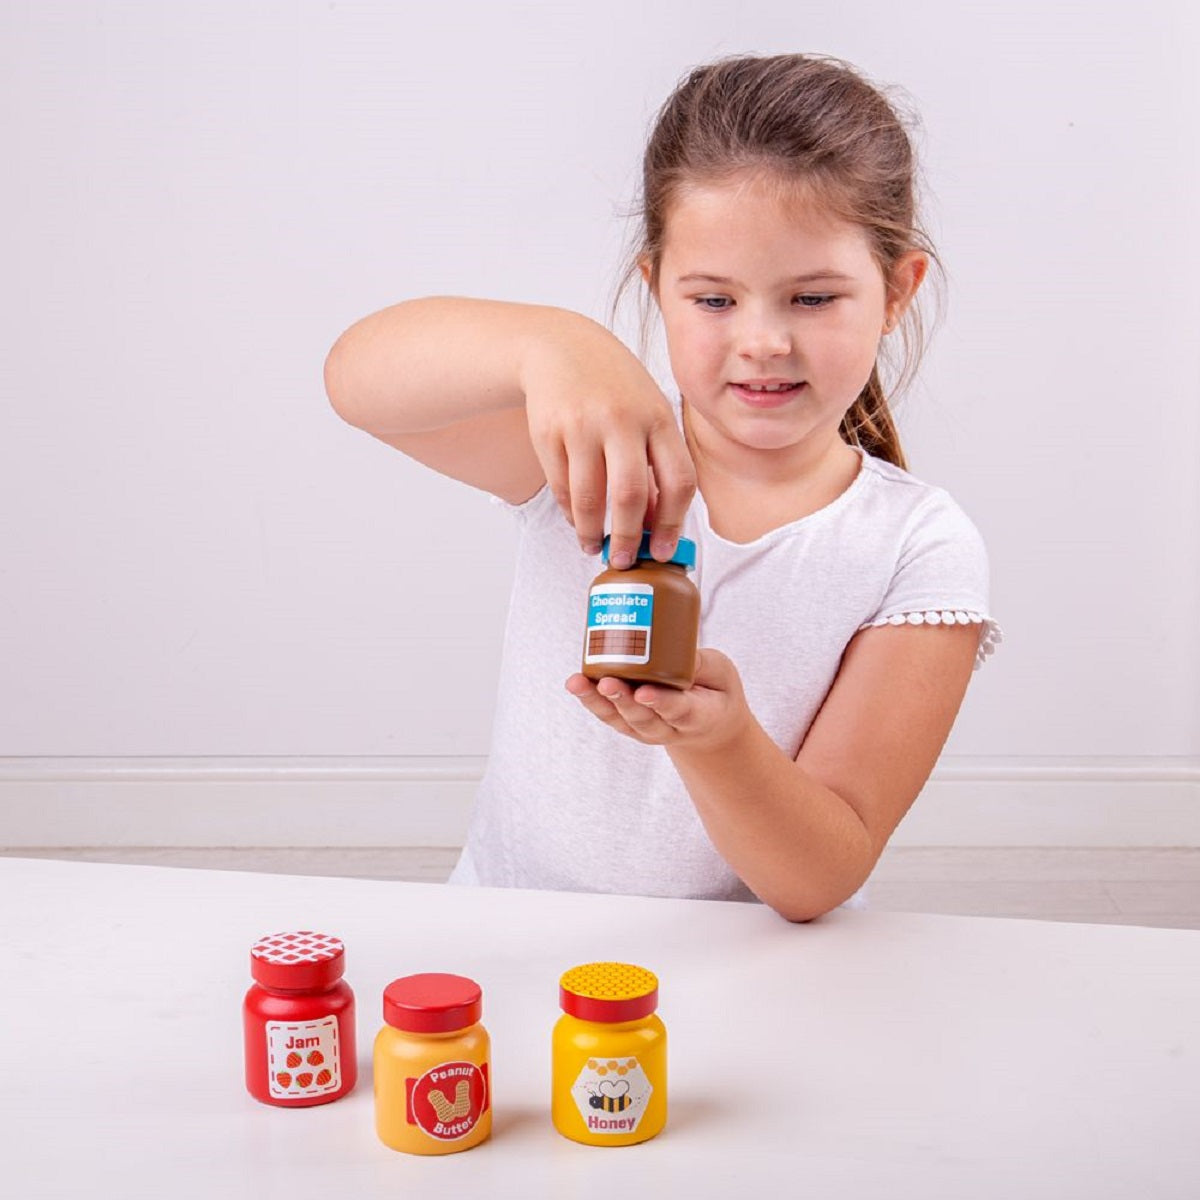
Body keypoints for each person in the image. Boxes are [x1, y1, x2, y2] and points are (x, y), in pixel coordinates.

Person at [324, 53, 1000, 922]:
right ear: (656, 287)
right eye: (714, 300)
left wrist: (719, 743)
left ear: (897, 291)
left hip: (759, 963)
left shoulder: (917, 546)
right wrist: (554, 344)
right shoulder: (600, 452)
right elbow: (355, 379)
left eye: (813, 298)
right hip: (514, 929)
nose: (762, 342)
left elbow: (820, 876)